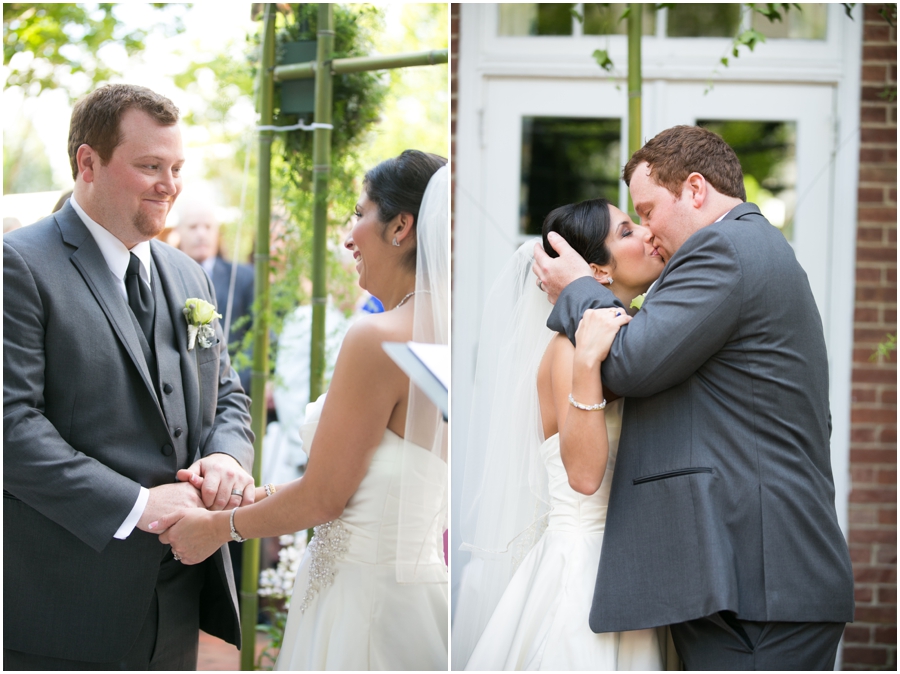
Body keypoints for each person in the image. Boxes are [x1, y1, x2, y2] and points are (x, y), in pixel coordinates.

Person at [532, 125, 854, 670]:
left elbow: (631, 362)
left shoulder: (722, 249)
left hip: (761, 583)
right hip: (745, 576)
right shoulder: (749, 245)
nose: (650, 232)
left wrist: (577, 289)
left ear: (696, 189)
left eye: (648, 210)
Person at [152, 151, 450, 671]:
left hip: (362, 604)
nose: (348, 236)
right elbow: (367, 482)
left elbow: (324, 497)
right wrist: (249, 495)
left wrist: (217, 529)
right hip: (421, 595)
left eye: (360, 214)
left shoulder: (376, 335)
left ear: (401, 226)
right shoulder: (453, 333)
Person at [3, 84, 255, 670]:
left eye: (176, 167)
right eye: (149, 166)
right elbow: (10, 426)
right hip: (68, 605)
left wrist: (226, 458)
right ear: (87, 163)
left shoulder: (189, 275)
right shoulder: (18, 265)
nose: (170, 184)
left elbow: (226, 393)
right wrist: (140, 504)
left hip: (179, 596)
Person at [455, 199, 671, 670]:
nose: (649, 236)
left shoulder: (636, 336)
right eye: (628, 231)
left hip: (632, 563)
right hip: (585, 568)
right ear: (596, 271)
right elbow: (585, 474)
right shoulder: (569, 348)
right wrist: (588, 363)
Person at [177, 201, 255, 395]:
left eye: (208, 227)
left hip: (235, 387)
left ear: (217, 233)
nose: (201, 233)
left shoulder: (244, 277)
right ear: (179, 231)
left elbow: (258, 335)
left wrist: (232, 380)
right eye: (193, 227)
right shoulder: (161, 276)